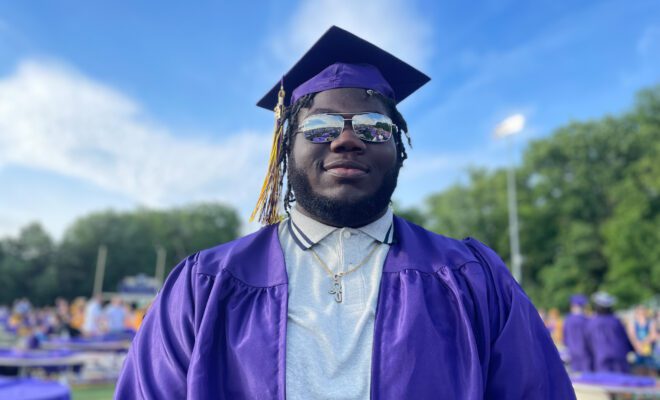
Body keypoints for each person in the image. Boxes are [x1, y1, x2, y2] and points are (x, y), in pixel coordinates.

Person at [115, 26, 575, 399]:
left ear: (400, 148)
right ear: (283, 149)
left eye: (375, 127)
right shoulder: (205, 286)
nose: (346, 139)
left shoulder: (472, 278)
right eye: (320, 126)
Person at [586, 292, 634, 373]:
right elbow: (625, 338)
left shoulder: (591, 323)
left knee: (604, 383)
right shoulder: (616, 321)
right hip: (619, 356)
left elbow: (588, 342)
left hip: (601, 356)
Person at [563, 294, 592, 372]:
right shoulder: (586, 320)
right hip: (585, 351)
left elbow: (565, 338)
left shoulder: (568, 320)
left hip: (572, 351)